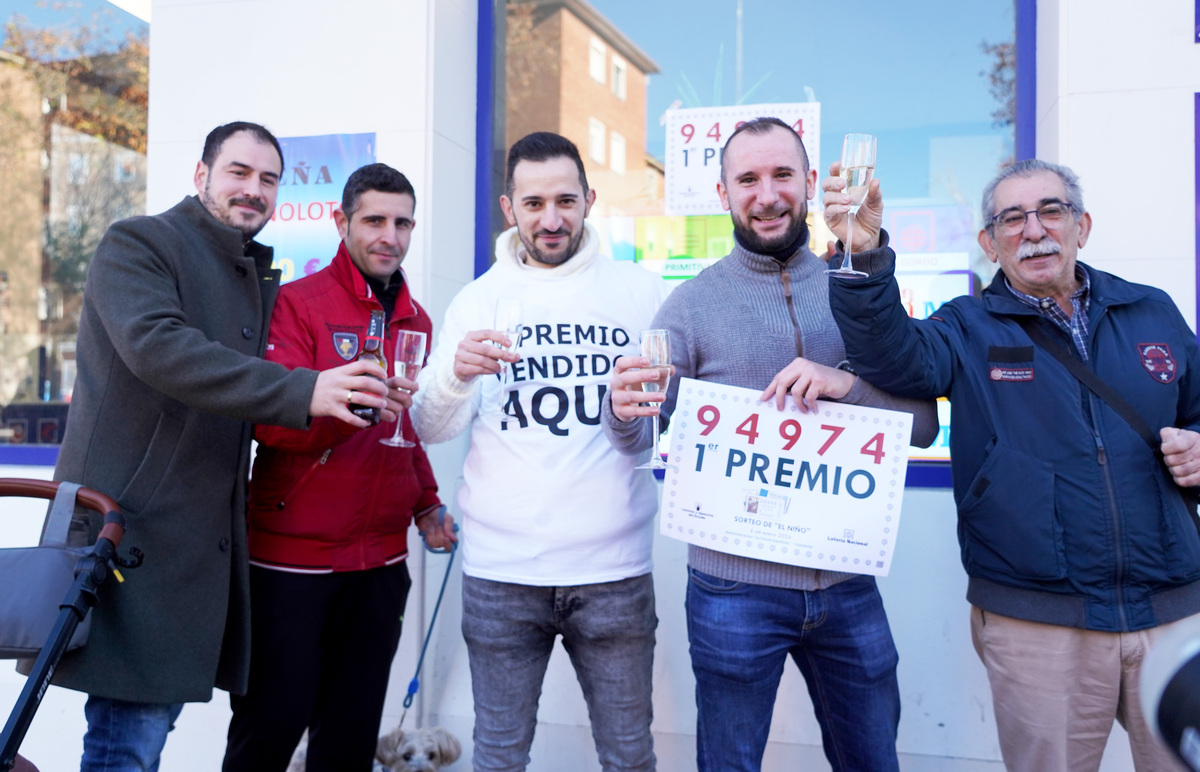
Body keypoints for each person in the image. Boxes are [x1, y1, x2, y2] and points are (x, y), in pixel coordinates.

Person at [43, 122, 400, 772]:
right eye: (238, 172)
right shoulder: (141, 241)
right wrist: (306, 388)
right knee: (126, 744)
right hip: (129, 539)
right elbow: (160, 347)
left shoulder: (249, 271)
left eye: (268, 180)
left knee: (140, 739)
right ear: (201, 174)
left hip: (197, 556)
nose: (253, 190)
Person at [824, 158, 1200, 772]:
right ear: (988, 243)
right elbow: (893, 361)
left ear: (1082, 225)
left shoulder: (1152, 311)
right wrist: (863, 256)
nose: (1034, 230)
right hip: (1039, 622)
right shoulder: (966, 326)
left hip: (1177, 609)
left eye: (1051, 211)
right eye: (1012, 218)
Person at [601, 117, 938, 772]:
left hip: (847, 583)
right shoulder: (691, 306)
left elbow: (921, 425)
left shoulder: (863, 292)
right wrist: (618, 411)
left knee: (873, 762)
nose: (767, 193)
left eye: (782, 174)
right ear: (723, 193)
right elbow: (639, 433)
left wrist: (845, 385)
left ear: (810, 183)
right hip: (733, 590)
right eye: (747, 178)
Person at [411, 131, 667, 772]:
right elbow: (430, 426)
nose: (550, 219)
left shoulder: (641, 292)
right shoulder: (478, 299)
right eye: (533, 204)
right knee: (499, 757)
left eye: (565, 200)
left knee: (630, 757)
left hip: (614, 572)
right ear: (509, 208)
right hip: (501, 575)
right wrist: (454, 376)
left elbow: (674, 423)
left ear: (590, 200)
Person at [221, 163, 456, 771]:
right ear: (341, 221)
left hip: (379, 562)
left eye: (403, 223)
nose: (390, 236)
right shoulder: (297, 304)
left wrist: (426, 502)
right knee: (269, 732)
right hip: (291, 561)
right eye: (375, 220)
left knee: (348, 743)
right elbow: (271, 423)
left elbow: (408, 426)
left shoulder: (418, 320)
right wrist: (351, 404)